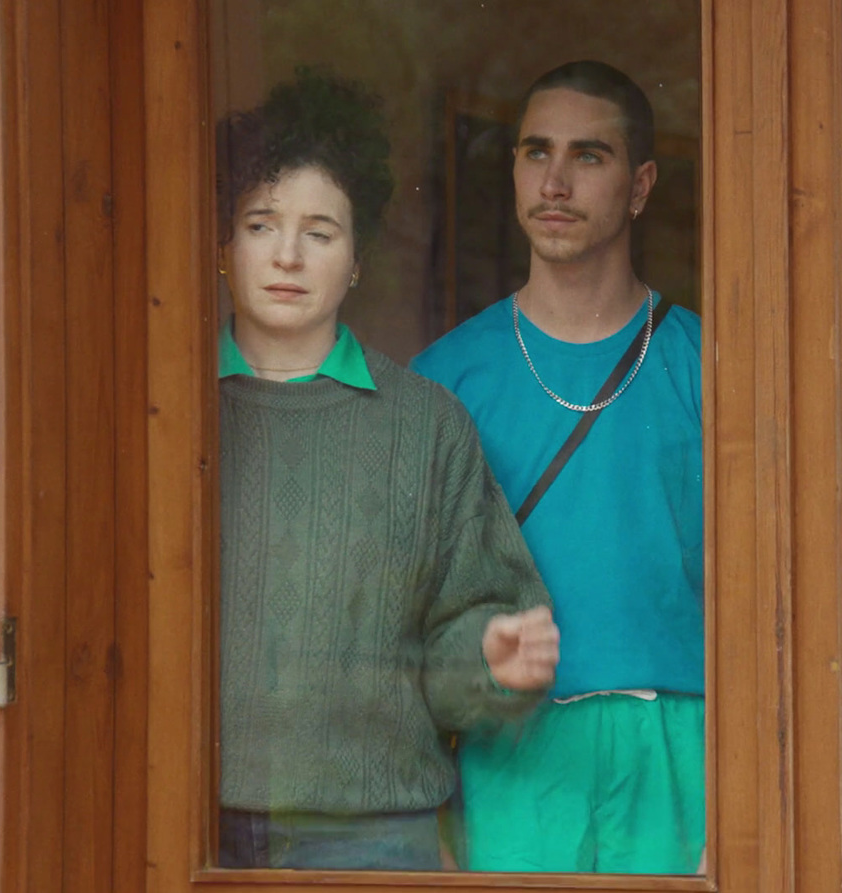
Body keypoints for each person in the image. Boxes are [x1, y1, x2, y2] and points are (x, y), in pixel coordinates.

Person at [215, 69, 560, 871]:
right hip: (186, 818)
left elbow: (467, 638)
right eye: (262, 224)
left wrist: (493, 661)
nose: (288, 255)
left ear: (358, 259)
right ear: (223, 244)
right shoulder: (165, 418)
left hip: (370, 834)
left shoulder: (425, 424)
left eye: (321, 232)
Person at [411, 61, 704, 874]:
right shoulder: (444, 379)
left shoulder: (709, 367)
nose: (556, 181)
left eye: (589, 156)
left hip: (675, 740)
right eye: (536, 152)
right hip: (514, 747)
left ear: (640, 186)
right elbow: (407, 606)